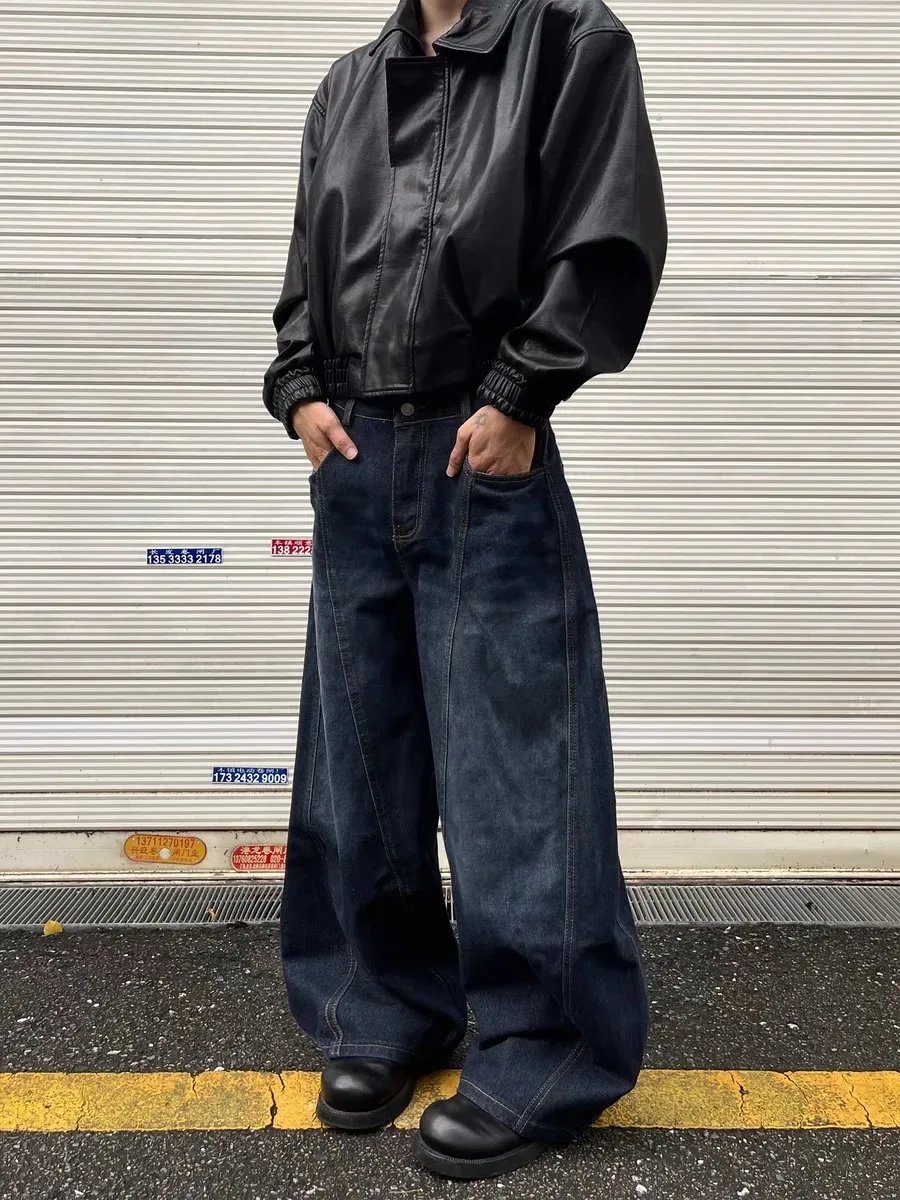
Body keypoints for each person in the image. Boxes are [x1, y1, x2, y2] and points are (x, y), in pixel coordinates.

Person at [262, 0, 666, 1181]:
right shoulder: (349, 84)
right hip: (355, 453)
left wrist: (519, 394)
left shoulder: (571, 43)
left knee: (518, 769)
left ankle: (548, 1047)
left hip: (480, 443)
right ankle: (386, 1008)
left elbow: (607, 236)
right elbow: (305, 267)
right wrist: (299, 390)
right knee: (361, 759)